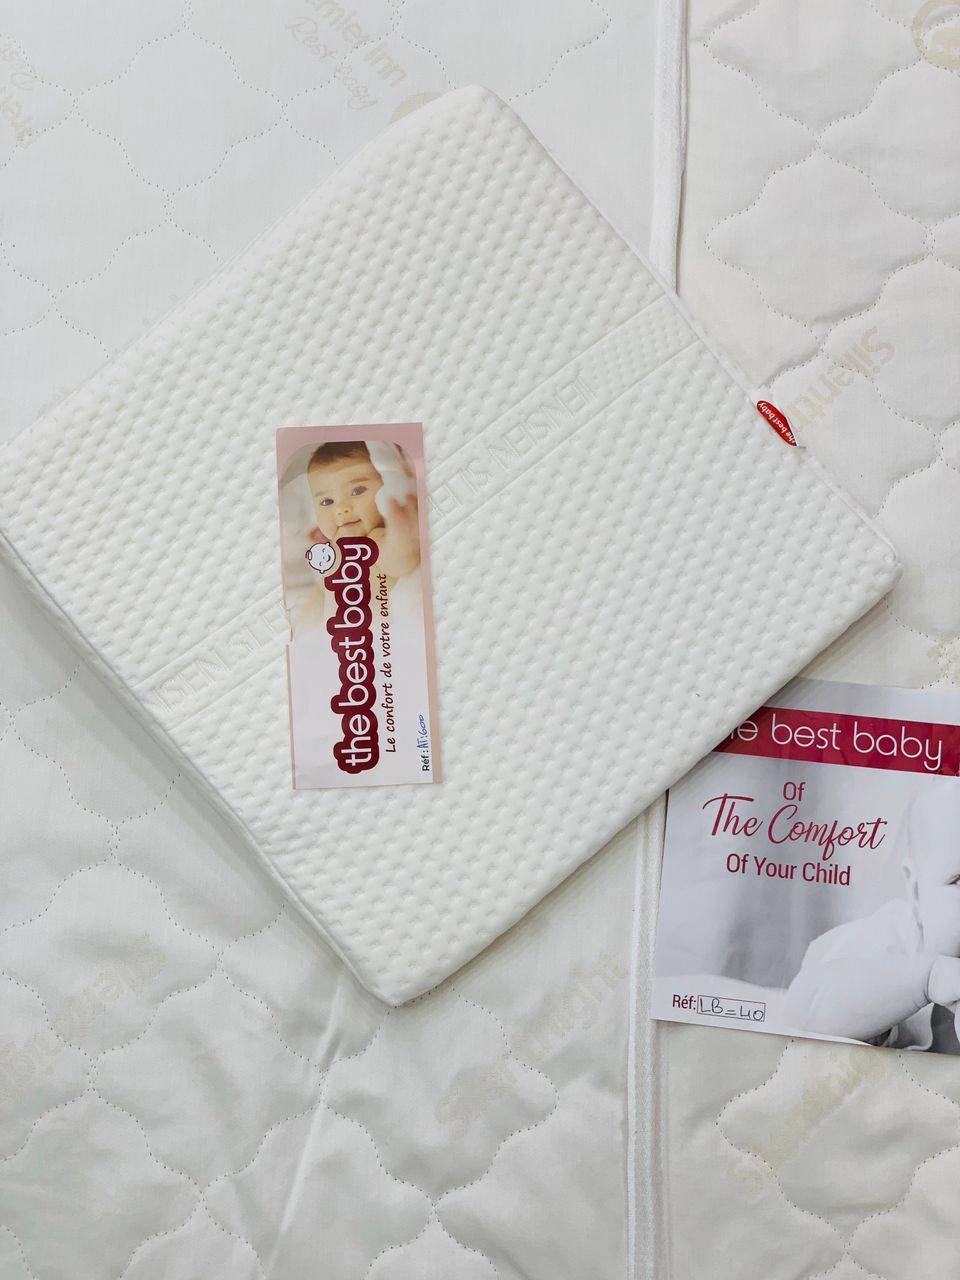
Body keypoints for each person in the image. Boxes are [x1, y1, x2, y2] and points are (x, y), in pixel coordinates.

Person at [783, 795, 960, 1051]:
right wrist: (929, 978)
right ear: (917, 893)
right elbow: (804, 1013)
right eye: (959, 881)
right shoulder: (886, 944)